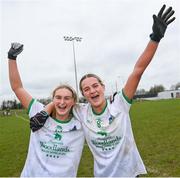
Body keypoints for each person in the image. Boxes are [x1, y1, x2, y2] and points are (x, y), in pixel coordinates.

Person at [30, 4, 175, 177]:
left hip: (129, 174)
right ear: (83, 95)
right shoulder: (81, 111)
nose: (92, 91)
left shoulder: (120, 103)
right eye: (86, 89)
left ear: (102, 87)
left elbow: (138, 71)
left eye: (95, 86)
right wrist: (45, 111)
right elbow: (62, 101)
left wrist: (155, 38)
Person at [7, 43, 85, 177]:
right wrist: (11, 57)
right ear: (52, 99)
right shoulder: (38, 110)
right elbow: (17, 87)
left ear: (73, 101)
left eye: (67, 98)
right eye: (58, 98)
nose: (62, 102)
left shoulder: (82, 118)